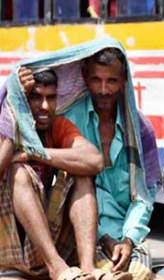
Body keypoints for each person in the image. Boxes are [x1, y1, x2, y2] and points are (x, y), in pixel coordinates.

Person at [0, 68, 131, 280]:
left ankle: (88, 268)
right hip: (7, 243)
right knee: (17, 172)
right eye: (35, 98)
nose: (45, 107)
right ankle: (56, 268)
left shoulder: (55, 126)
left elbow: (93, 160)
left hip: (38, 242)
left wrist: (35, 153)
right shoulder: (5, 125)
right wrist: (13, 107)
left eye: (51, 98)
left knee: (81, 173)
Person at [61, 48, 161, 280]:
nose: (104, 90)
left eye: (112, 81)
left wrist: (127, 240)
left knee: (136, 272)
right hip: (79, 236)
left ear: (124, 80)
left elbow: (144, 196)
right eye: (96, 80)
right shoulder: (69, 120)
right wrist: (103, 237)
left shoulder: (140, 129)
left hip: (128, 239)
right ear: (86, 77)